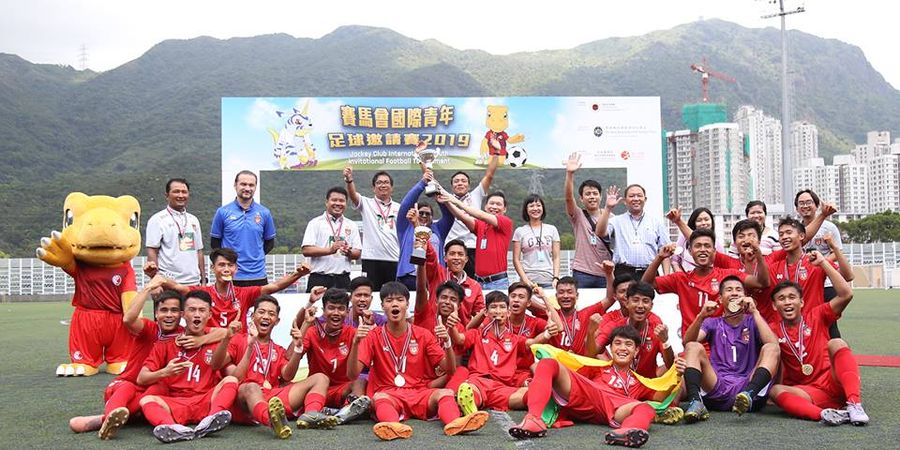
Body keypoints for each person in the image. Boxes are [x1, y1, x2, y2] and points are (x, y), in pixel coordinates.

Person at [68, 283, 223, 439]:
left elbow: (224, 332)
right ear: (156, 313)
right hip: (131, 382)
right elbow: (128, 318)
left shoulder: (183, 334)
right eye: (164, 310)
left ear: (181, 314)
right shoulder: (149, 328)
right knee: (128, 387)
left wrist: (201, 340)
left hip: (154, 387)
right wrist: (148, 288)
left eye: (174, 310)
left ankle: (111, 419)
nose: (169, 315)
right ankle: (109, 417)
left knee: (160, 389)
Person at [347, 282, 489, 441]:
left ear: (407, 304)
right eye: (389, 300)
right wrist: (355, 343)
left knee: (445, 393)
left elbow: (449, 369)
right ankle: (393, 426)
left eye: (400, 300)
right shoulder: (373, 336)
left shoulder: (423, 334)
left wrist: (447, 342)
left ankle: (455, 423)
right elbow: (353, 374)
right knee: (380, 398)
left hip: (418, 392)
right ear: (382, 306)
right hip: (388, 393)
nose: (394, 303)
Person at [508, 326, 684, 448]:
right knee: (548, 363)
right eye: (618, 343)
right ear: (611, 348)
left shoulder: (640, 381)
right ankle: (533, 420)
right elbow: (570, 378)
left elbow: (659, 399)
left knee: (645, 408)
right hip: (589, 394)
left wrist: (677, 375)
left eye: (629, 344)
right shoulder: (596, 367)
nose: (622, 348)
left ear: (637, 351)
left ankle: (627, 432)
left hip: (617, 408)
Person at [211, 295, 338, 439]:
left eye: (271, 314)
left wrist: (298, 349)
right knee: (251, 387)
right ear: (252, 316)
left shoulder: (277, 349)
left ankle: (311, 415)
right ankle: (273, 421)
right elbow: (216, 364)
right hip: (245, 399)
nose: (266, 316)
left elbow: (287, 375)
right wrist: (228, 337)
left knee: (321, 378)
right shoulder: (238, 340)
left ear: (277, 321)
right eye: (261, 312)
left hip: (272, 398)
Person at [768, 252, 869, 426]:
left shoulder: (817, 315)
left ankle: (854, 403)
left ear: (802, 302)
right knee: (775, 390)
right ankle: (825, 415)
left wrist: (823, 262)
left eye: (792, 297)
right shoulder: (772, 329)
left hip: (833, 382)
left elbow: (846, 294)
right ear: (774, 305)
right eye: (781, 299)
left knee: (836, 342)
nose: (787, 302)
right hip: (807, 392)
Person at [137, 290, 239, 443]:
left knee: (231, 380)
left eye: (202, 310)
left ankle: (212, 419)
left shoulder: (215, 340)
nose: (197, 315)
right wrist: (165, 372)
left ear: (210, 315)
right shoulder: (166, 343)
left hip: (206, 400)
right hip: (177, 403)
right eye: (192, 310)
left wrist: (223, 338)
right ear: (184, 314)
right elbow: (141, 378)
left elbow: (217, 364)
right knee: (147, 400)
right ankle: (173, 428)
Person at [680, 276, 780, 421]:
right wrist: (701, 316)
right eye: (729, 290)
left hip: (747, 387)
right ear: (720, 299)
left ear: (745, 297)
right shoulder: (712, 322)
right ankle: (695, 401)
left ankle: (749, 394)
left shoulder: (753, 320)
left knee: (771, 348)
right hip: (717, 386)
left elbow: (774, 345)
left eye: (739, 290)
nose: (734, 293)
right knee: (693, 346)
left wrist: (755, 312)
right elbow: (687, 342)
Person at [642, 229, 770, 339]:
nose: (703, 250)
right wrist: (659, 257)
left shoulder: (729, 276)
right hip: (693, 344)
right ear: (690, 251)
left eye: (707, 246)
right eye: (698, 246)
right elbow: (646, 284)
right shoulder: (681, 279)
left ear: (714, 250)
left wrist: (758, 254)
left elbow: (761, 283)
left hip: (724, 346)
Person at [449, 291, 557, 414]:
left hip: (502, 387)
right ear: (486, 312)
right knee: (469, 391)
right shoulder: (477, 334)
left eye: (502, 307)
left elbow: (531, 343)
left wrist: (547, 333)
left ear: (508, 312)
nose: (498, 311)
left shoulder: (514, 339)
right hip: (479, 382)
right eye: (493, 307)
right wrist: (452, 326)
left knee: (529, 393)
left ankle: (547, 404)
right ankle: (471, 407)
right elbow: (459, 339)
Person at [158, 247, 310, 329]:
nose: (226, 269)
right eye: (221, 265)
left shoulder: (244, 293)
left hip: (237, 346)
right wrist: (154, 275)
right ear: (213, 268)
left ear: (235, 269)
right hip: (211, 344)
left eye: (230, 265)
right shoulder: (203, 293)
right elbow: (177, 287)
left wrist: (298, 274)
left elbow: (274, 286)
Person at [294, 288, 371, 424]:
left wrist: (357, 342)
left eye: (341, 309)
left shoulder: (355, 333)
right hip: (316, 389)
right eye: (331, 308)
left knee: (360, 381)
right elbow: (290, 356)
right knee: (288, 385)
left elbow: (355, 374)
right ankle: (319, 413)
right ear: (324, 310)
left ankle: (344, 412)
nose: (336, 313)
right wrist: (305, 324)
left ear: (347, 312)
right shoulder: (312, 331)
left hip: (342, 391)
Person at [771, 217, 854, 338]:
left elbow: (848, 276)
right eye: (781, 234)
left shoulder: (815, 261)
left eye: (789, 232)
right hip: (787, 332)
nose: (784, 237)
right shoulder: (774, 268)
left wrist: (834, 249)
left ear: (801, 236)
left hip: (814, 328)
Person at [590, 281, 674, 378]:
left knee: (679, 363)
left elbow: (670, 365)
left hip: (646, 385)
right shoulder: (615, 325)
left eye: (645, 301)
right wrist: (590, 332)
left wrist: (665, 341)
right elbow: (592, 353)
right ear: (627, 303)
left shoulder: (656, 328)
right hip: (618, 382)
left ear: (651, 306)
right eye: (635, 300)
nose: (640, 305)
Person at [210, 170, 276, 286]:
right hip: (231, 275)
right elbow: (215, 243)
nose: (247, 188)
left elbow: (269, 243)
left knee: (261, 305)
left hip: (258, 275)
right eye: (243, 184)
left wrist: (255, 255)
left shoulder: (264, 212)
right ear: (235, 185)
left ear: (255, 187)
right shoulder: (222, 212)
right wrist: (229, 262)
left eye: (251, 185)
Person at [395, 168, 453, 290]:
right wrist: (422, 184)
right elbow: (406, 204)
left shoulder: (438, 229)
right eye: (421, 213)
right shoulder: (406, 227)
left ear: (433, 217)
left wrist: (437, 193)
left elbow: (449, 216)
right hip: (410, 277)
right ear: (415, 213)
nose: (424, 216)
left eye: (428, 214)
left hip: (434, 277)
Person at [596, 184, 671, 279]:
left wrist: (667, 277)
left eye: (639, 195)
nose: (636, 199)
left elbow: (665, 251)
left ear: (645, 199)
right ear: (624, 201)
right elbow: (600, 232)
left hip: (649, 271)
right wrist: (608, 208)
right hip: (623, 272)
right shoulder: (616, 221)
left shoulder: (656, 222)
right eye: (631, 196)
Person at [442, 190, 513, 290]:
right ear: (485, 206)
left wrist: (456, 201)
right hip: (478, 281)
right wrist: (446, 201)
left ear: (504, 209)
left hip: (497, 282)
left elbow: (480, 215)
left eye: (498, 204)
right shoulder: (481, 225)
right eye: (491, 203)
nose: (494, 207)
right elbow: (462, 217)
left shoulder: (505, 222)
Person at [444, 154, 501, 277]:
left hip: (473, 248)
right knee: (451, 285)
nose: (460, 183)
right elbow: (430, 181)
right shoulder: (445, 198)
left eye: (463, 181)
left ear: (469, 186)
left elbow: (489, 175)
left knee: (474, 285)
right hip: (452, 248)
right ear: (452, 186)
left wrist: (496, 153)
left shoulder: (476, 195)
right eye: (456, 181)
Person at [344, 167, 400, 290]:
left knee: (392, 295)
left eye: (386, 182)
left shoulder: (399, 208)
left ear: (392, 187)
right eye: (379, 182)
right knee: (370, 293)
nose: (382, 185)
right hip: (371, 259)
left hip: (394, 258)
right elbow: (353, 195)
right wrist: (349, 180)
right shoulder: (366, 203)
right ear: (373, 188)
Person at [564, 152, 613, 288]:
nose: (592, 197)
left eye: (595, 193)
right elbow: (568, 198)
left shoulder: (612, 218)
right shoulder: (578, 215)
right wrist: (570, 174)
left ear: (600, 196)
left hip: (606, 272)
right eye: (587, 194)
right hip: (582, 272)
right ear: (581, 198)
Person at [144, 178, 206, 285]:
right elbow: (152, 251)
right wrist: (155, 282)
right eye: (176, 191)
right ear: (167, 195)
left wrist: (203, 280)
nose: (181, 195)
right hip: (168, 283)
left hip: (193, 282)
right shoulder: (157, 219)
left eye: (184, 192)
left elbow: (199, 251)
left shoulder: (193, 219)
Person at [301, 187, 362, 291]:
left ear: (346, 203)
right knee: (315, 307)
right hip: (319, 278)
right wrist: (330, 250)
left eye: (342, 201)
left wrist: (349, 252)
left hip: (343, 279)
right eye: (334, 200)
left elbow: (357, 253)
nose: (338, 203)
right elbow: (306, 250)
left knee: (344, 307)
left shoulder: (351, 225)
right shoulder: (315, 223)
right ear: (326, 202)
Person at [795, 189, 846, 315]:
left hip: (827, 282)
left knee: (828, 320)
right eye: (801, 203)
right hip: (803, 283)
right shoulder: (794, 229)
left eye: (809, 202)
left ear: (817, 205)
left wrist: (821, 263)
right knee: (806, 318)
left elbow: (837, 252)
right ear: (796, 208)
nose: (805, 206)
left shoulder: (829, 227)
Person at [417, 238, 484, 328]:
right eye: (452, 254)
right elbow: (430, 257)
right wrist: (422, 237)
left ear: (466, 259)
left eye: (460, 254)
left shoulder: (475, 286)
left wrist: (466, 333)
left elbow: (480, 315)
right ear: (445, 258)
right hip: (435, 332)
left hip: (460, 338)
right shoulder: (437, 273)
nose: (456, 257)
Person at [551, 276, 614, 355]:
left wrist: (609, 273)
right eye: (561, 292)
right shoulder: (550, 314)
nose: (565, 296)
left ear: (577, 295)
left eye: (570, 292)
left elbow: (610, 299)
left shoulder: (586, 314)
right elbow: (531, 303)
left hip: (582, 363)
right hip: (558, 363)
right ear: (556, 296)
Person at [512, 194, 561, 289]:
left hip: (549, 281)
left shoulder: (552, 229)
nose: (535, 208)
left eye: (538, 205)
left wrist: (556, 277)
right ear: (526, 209)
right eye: (531, 206)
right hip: (528, 281)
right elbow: (516, 260)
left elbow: (556, 257)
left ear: (543, 208)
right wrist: (525, 280)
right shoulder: (519, 231)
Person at [666, 207, 725, 272]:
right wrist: (682, 278)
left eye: (706, 219)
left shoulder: (716, 243)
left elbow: (722, 265)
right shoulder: (683, 238)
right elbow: (675, 261)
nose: (703, 223)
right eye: (699, 220)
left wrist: (679, 222)